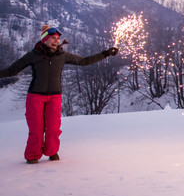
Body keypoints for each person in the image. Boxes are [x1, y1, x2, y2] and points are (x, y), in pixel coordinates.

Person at [0, 25, 118, 164]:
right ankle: (33, 155)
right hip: (35, 97)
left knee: (53, 128)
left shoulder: (62, 55)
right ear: (44, 40)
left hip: (55, 97)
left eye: (57, 38)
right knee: (36, 129)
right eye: (53, 38)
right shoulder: (33, 55)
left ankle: (52, 151)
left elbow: (84, 61)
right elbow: (12, 70)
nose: (56, 41)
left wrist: (106, 54)